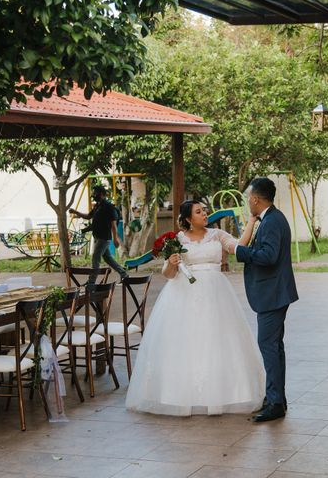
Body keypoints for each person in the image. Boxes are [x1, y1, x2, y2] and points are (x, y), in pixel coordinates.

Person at [126, 200, 265, 416]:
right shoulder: (177, 240)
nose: (204, 214)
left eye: (204, 210)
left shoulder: (217, 235)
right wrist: (171, 262)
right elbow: (168, 274)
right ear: (189, 219)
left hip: (216, 294)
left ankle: (224, 393)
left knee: (218, 340)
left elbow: (239, 246)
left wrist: (252, 222)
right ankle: (181, 395)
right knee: (187, 342)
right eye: (198, 212)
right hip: (184, 294)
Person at [231, 177, 298, 423]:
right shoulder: (272, 218)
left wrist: (241, 252)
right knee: (274, 347)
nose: (248, 200)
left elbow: (268, 256)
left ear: (256, 199)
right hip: (276, 292)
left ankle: (275, 403)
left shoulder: (271, 221)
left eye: (249, 196)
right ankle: (277, 397)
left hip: (272, 294)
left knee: (268, 346)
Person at [69, 185, 128, 283]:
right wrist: (76, 212)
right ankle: (124, 274)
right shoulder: (97, 206)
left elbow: (113, 225)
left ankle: (91, 282)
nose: (94, 195)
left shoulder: (109, 207)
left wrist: (115, 238)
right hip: (97, 237)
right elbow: (88, 216)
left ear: (101, 194)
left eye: (95, 193)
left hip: (104, 238)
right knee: (108, 259)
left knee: (95, 258)